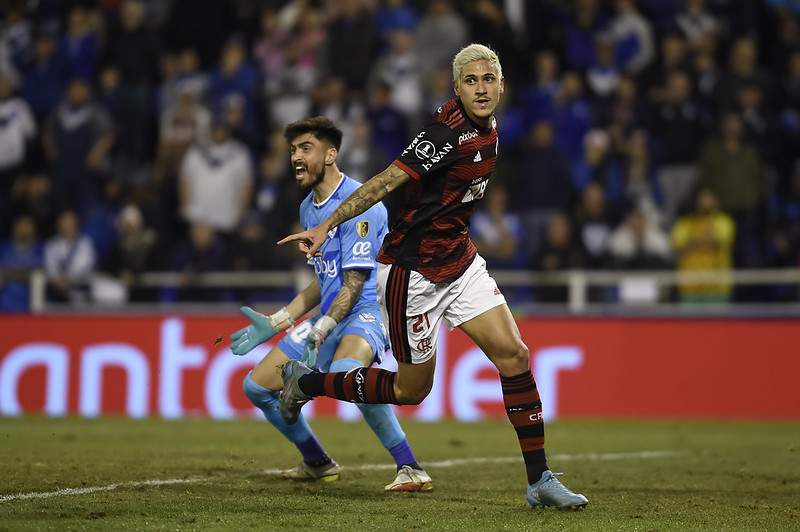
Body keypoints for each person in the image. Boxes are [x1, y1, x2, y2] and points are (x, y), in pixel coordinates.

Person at [278, 44, 588, 510]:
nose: (481, 89)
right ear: (457, 87)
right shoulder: (444, 134)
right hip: (412, 274)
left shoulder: (492, 128)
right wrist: (327, 224)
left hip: (460, 262)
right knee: (410, 390)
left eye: (489, 80)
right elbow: (383, 182)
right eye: (471, 81)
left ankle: (540, 479)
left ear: (502, 85)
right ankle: (308, 384)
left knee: (515, 355)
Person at [229, 117, 433, 492]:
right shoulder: (309, 208)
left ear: (330, 154)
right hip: (331, 313)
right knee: (256, 388)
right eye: (292, 150)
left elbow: (354, 283)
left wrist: (322, 329)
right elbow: (325, 279)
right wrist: (279, 320)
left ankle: (410, 467)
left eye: (306, 148)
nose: (296, 157)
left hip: (369, 309)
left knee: (347, 370)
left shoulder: (362, 204)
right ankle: (317, 462)